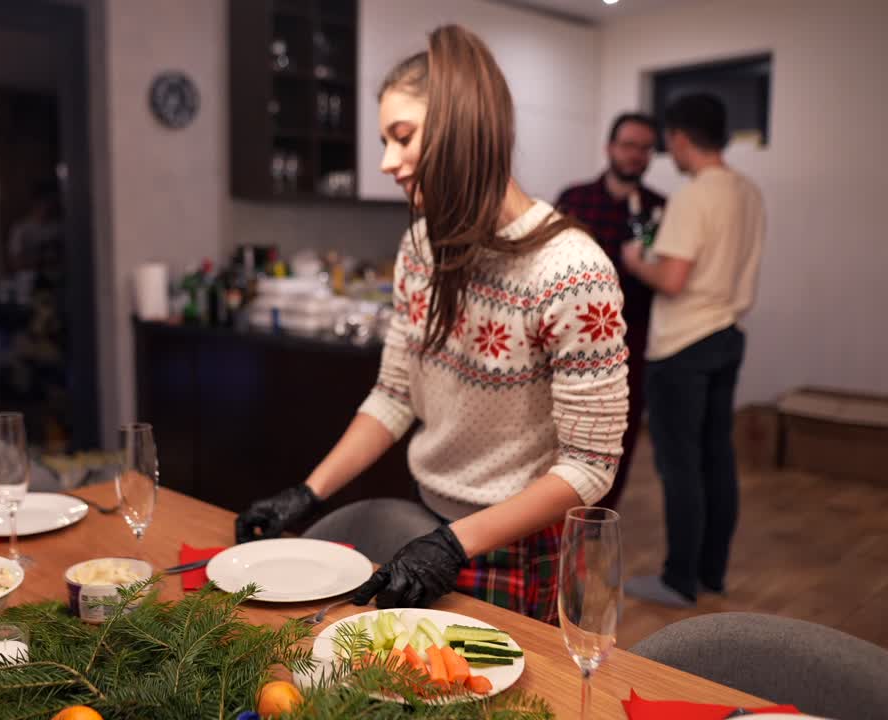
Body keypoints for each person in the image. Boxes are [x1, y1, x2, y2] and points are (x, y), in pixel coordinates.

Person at [233, 25, 629, 622]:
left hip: (515, 543)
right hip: (428, 521)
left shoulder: (572, 273)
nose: (388, 162)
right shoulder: (422, 245)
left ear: (463, 126)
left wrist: (456, 543)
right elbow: (394, 395)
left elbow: (590, 467)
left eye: (403, 136)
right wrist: (308, 492)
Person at [620, 94, 765, 608]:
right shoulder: (747, 192)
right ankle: (711, 574)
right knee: (716, 459)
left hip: (683, 345)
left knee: (679, 465)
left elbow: (673, 279)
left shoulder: (695, 196)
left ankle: (678, 580)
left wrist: (635, 260)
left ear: (680, 137)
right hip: (727, 335)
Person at [557, 114, 665, 510]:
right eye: (628, 144)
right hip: (571, 334)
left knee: (621, 428)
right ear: (609, 147)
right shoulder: (575, 198)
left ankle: (599, 517)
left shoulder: (658, 208)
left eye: (644, 147)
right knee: (561, 425)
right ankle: (554, 512)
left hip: (631, 335)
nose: (635, 155)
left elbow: (661, 271)